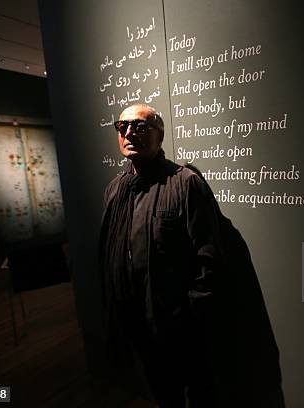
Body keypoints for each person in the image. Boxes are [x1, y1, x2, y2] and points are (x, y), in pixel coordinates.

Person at [99, 104, 284, 408]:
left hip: (182, 333)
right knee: (162, 394)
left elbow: (209, 259)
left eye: (140, 126)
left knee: (201, 397)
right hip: (138, 327)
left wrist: (191, 318)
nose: (130, 132)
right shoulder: (115, 190)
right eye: (123, 127)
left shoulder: (185, 184)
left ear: (160, 135)